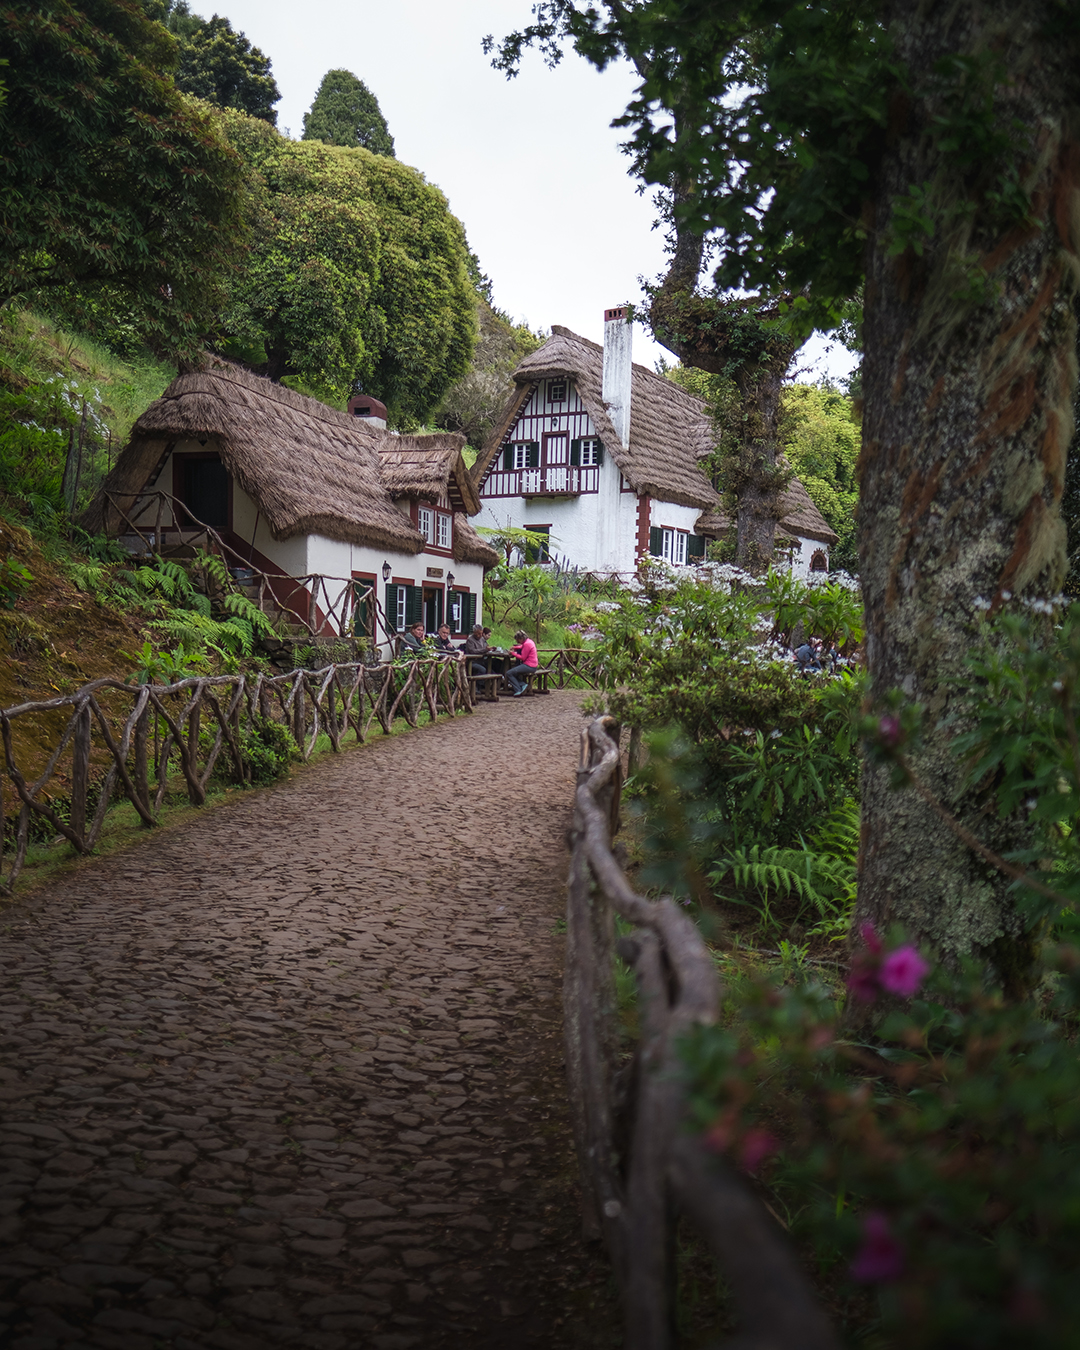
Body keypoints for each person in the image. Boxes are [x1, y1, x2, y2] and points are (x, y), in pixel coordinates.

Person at [506, 629, 539, 697]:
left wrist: (513, 653)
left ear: (521, 638)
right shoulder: (529, 641)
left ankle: (518, 689)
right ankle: (522, 685)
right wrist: (515, 648)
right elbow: (522, 647)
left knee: (509, 673)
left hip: (529, 666)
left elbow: (522, 657)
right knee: (514, 671)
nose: (518, 642)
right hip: (532, 665)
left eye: (518, 640)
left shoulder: (527, 644)